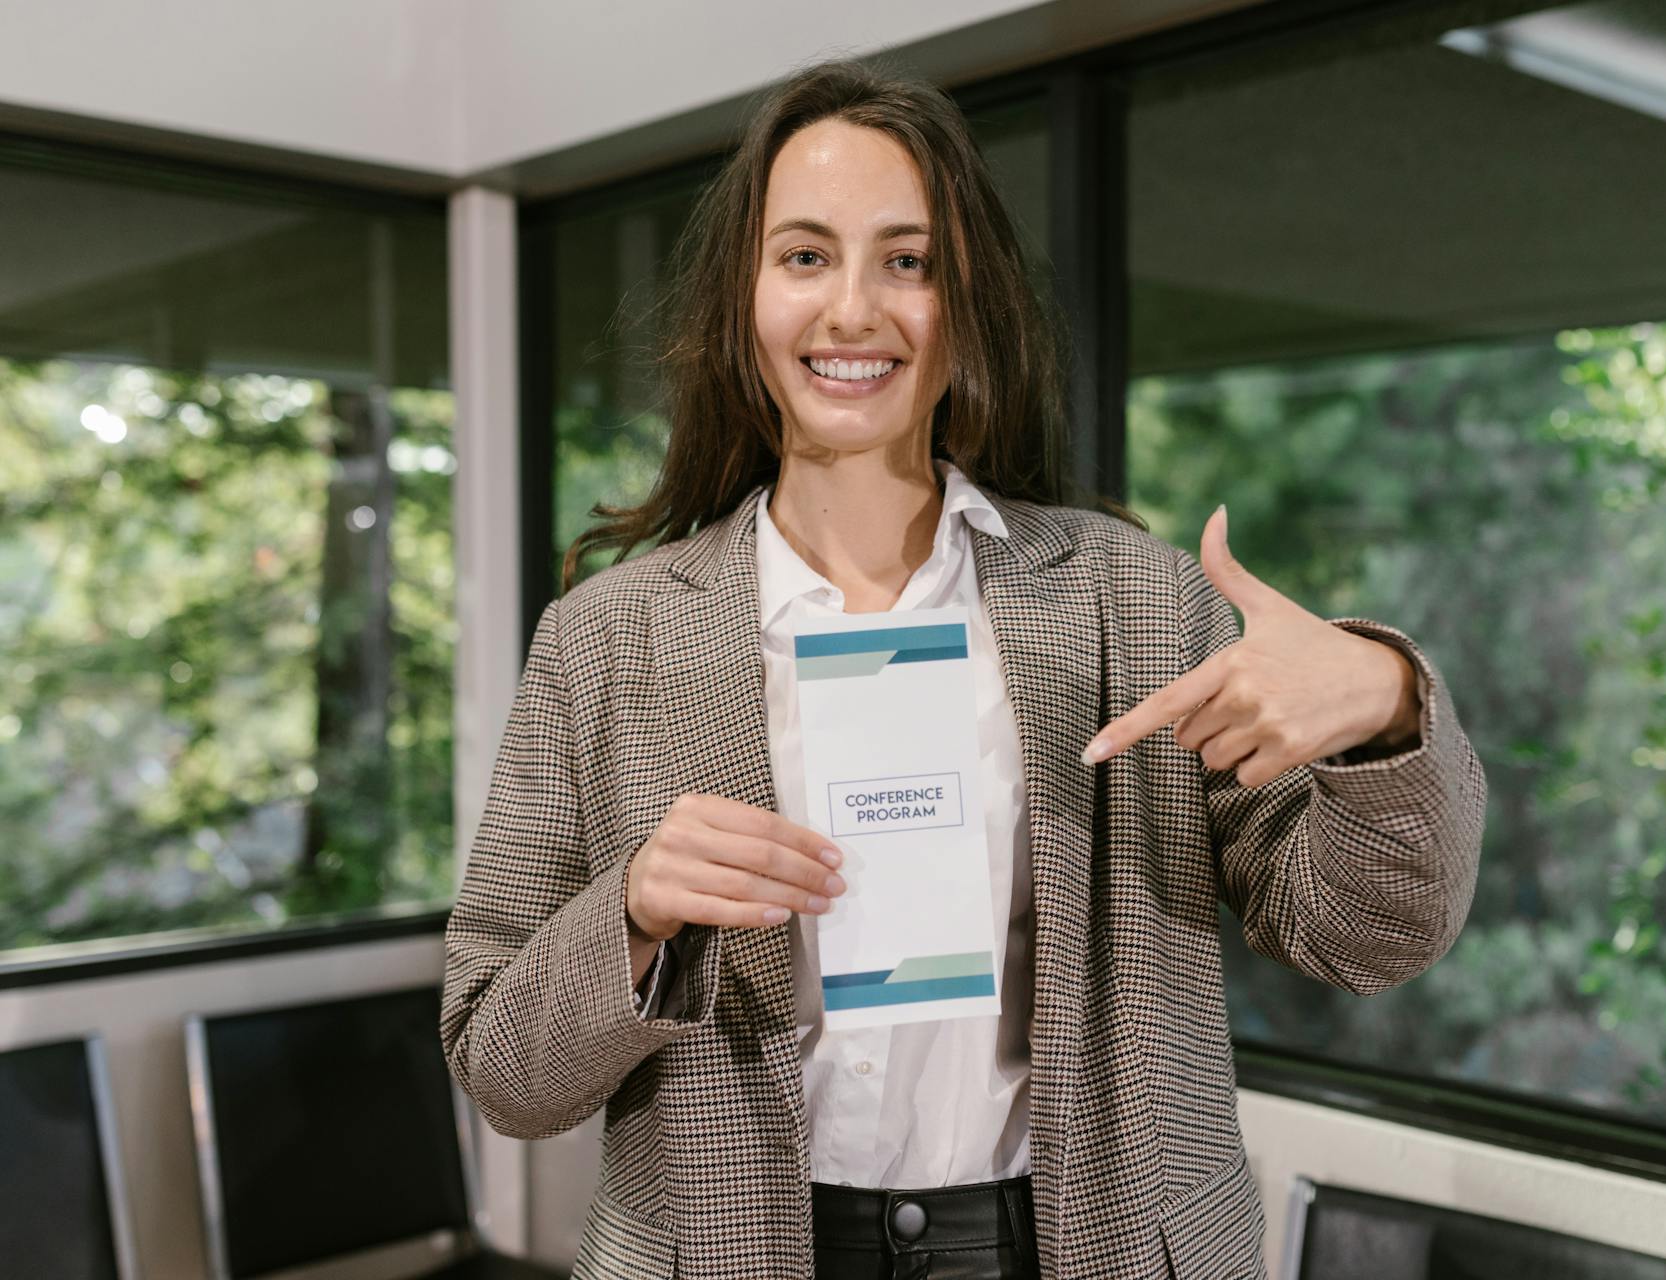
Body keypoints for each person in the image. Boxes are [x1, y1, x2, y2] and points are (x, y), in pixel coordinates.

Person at [440, 55, 1486, 1280]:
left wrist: (1385, 704)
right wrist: (632, 909)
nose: (852, 311)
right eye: (805, 255)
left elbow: (1367, 936)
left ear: (964, 300)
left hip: (1085, 1246)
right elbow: (500, 1067)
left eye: (908, 259)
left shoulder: (1131, 597)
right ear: (745, 298)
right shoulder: (607, 639)